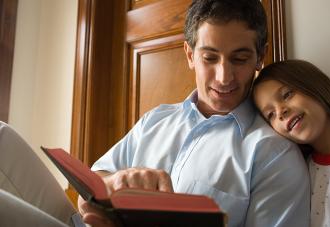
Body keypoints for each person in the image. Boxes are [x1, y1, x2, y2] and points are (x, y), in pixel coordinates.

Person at [78, 1, 310, 227]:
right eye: (209, 58)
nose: (224, 77)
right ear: (190, 55)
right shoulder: (154, 120)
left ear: (260, 57)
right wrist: (113, 183)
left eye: (239, 59)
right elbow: (88, 189)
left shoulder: (275, 154)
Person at [252, 59, 330, 227]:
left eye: (287, 95)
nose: (280, 112)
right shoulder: (299, 174)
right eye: (270, 114)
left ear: (314, 85)